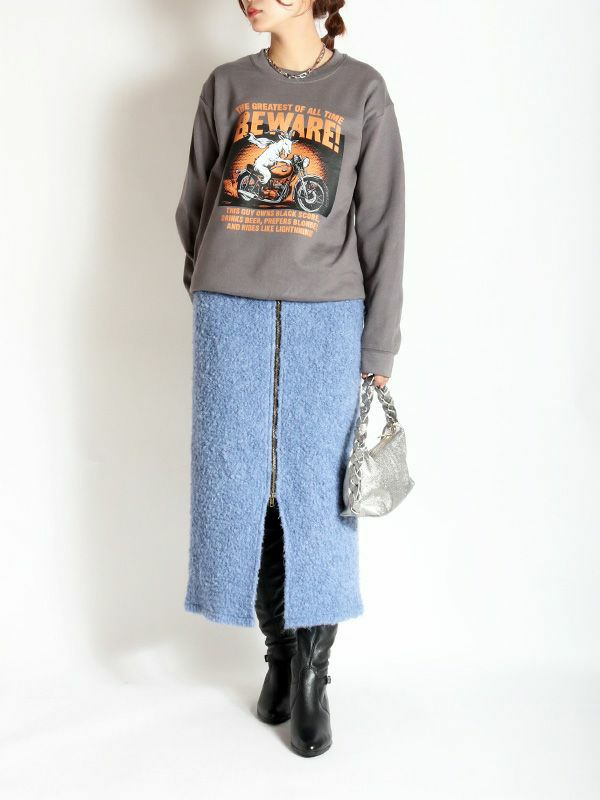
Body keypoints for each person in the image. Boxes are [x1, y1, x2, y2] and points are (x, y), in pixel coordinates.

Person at [174, 0, 406, 758]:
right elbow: (195, 201)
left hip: (326, 318)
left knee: (317, 497)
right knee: (244, 489)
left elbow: (383, 225)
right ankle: (277, 656)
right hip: (231, 314)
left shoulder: (361, 90)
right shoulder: (226, 85)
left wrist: (378, 346)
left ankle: (311, 676)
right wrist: (210, 282)